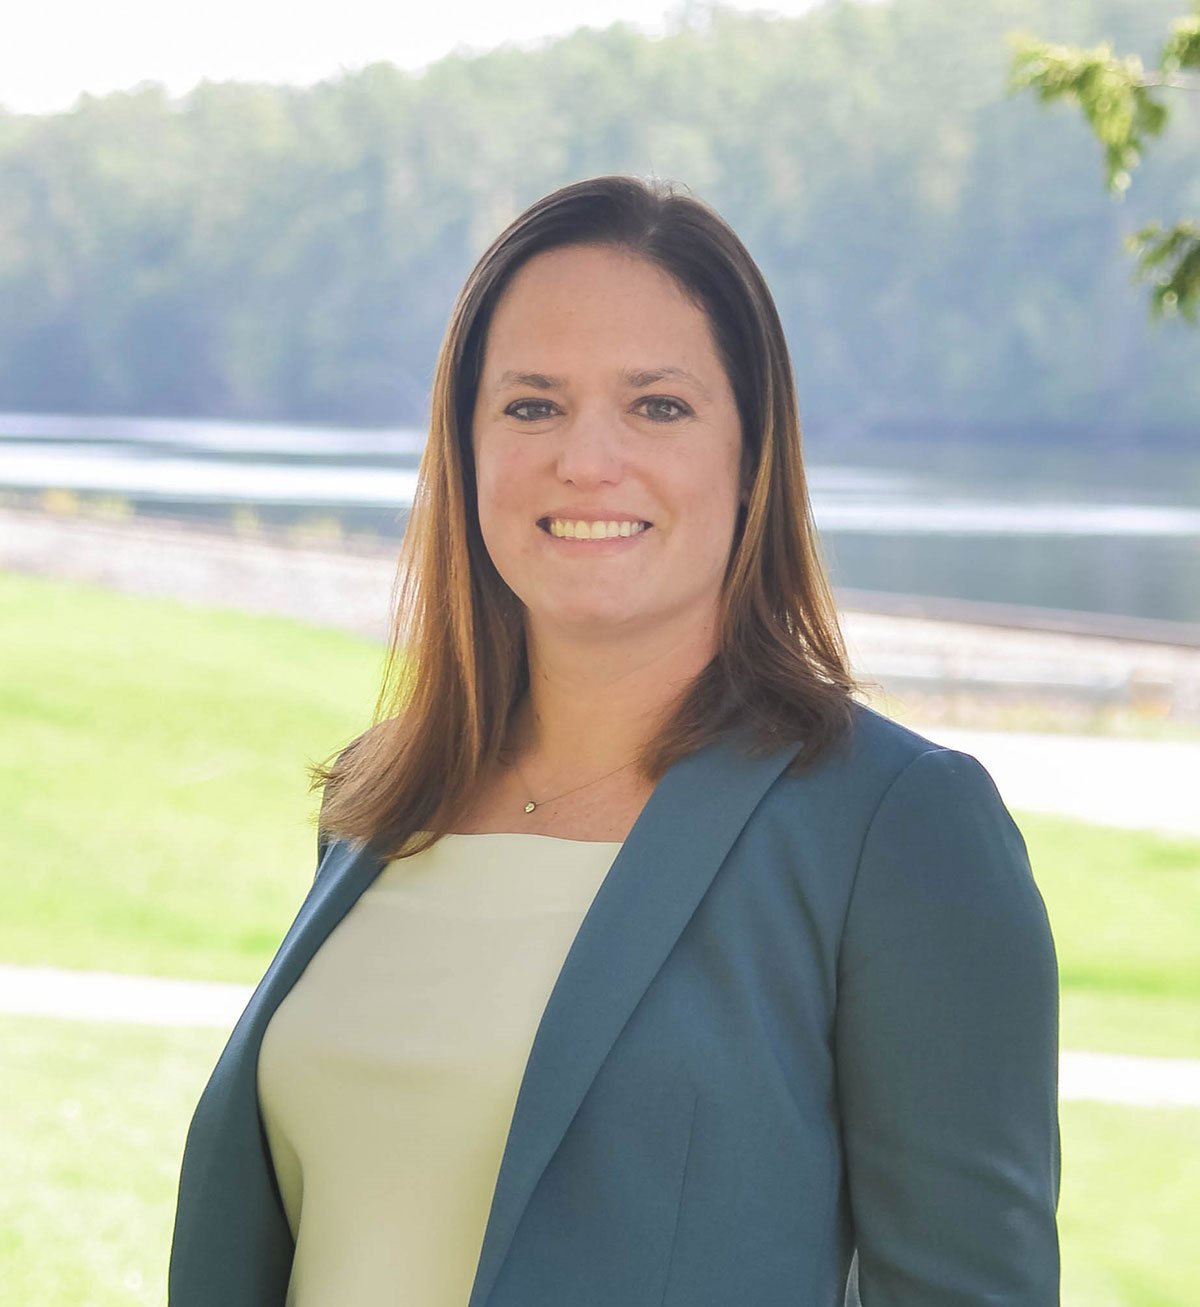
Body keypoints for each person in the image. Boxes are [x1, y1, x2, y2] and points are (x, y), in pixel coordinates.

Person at [168, 175, 1060, 1306]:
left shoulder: (892, 825)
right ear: (467, 445)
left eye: (658, 406)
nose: (586, 461)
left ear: (752, 453)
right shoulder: (380, 797)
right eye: (532, 405)